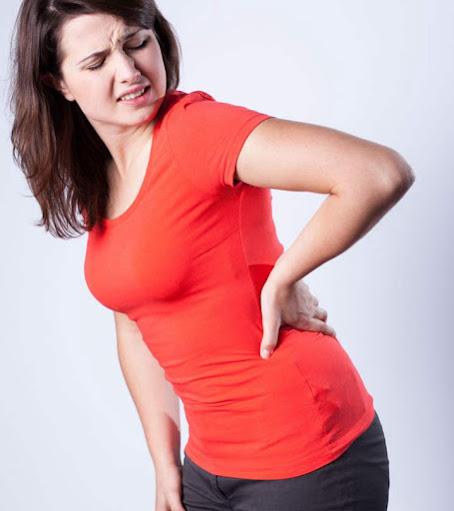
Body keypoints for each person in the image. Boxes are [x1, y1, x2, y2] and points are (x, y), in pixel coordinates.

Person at [9, 1, 414, 510]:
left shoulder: (197, 131)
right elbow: (135, 324)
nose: (129, 71)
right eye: (97, 62)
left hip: (306, 453)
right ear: (57, 83)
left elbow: (377, 173)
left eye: (137, 43)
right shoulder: (100, 177)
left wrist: (282, 278)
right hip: (208, 465)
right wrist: (165, 465)